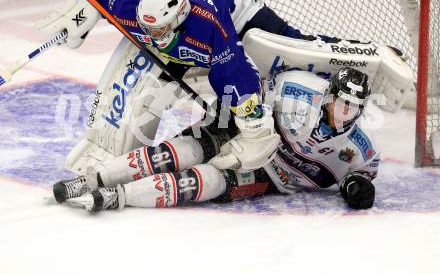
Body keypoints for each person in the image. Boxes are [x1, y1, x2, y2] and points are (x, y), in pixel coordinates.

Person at [36, 0, 337, 171]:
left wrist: (255, 129)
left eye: (162, 31)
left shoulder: (208, 27)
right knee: (160, 67)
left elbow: (237, 73)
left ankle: (338, 57)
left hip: (235, 2)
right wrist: (81, 13)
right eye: (148, 30)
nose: (155, 38)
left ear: (178, 21)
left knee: (285, 46)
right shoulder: (132, 2)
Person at [52, 66, 380, 211]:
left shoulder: (358, 150)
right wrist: (227, 113)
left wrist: (358, 188)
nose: (345, 112)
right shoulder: (296, 88)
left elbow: (361, 175)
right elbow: (252, 91)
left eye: (354, 108)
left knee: (204, 182)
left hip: (272, 174)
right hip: (243, 130)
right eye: (342, 102)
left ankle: (118, 196)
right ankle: (93, 179)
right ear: (328, 96)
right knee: (176, 153)